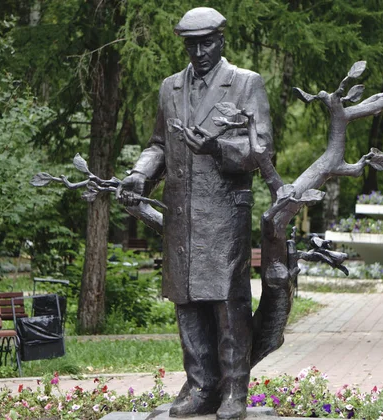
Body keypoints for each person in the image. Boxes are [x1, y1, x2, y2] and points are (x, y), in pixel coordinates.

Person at [119, 7, 272, 420]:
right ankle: (201, 388)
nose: (200, 51)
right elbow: (158, 146)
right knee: (186, 303)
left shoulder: (245, 84)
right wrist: (138, 175)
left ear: (222, 41)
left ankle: (235, 391)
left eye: (207, 43)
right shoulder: (170, 88)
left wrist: (217, 148)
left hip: (224, 214)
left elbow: (262, 152)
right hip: (181, 214)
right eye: (192, 44)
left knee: (226, 304)